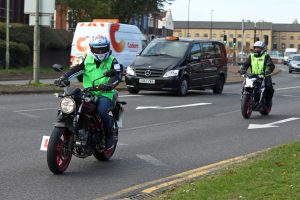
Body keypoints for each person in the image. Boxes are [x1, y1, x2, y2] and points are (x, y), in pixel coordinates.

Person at [55, 35, 121, 149]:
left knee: (101, 110)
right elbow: (76, 70)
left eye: (102, 48)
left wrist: (109, 85)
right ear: (92, 48)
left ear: (108, 48)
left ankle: (110, 133)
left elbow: (117, 75)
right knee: (73, 103)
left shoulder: (113, 61)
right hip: (88, 92)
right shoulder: (87, 59)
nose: (100, 51)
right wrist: (64, 77)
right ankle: (77, 130)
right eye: (97, 49)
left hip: (105, 93)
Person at [240, 41, 275, 108]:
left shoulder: (266, 56)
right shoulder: (251, 56)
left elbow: (270, 66)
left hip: (264, 76)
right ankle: (244, 97)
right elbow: (246, 64)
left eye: (258, 48)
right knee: (244, 84)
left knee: (269, 87)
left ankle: (268, 102)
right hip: (253, 76)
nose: (256, 49)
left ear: (262, 49)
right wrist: (243, 70)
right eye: (255, 48)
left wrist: (266, 72)